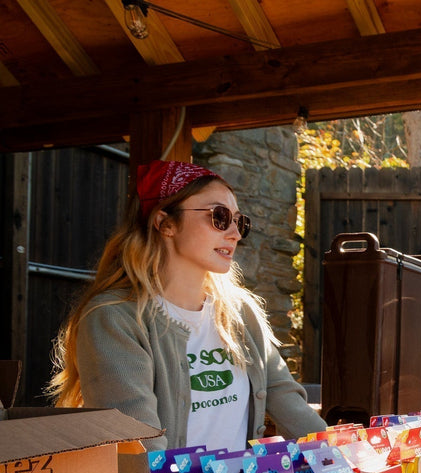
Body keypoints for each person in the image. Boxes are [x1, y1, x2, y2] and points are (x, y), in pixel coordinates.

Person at [49, 159, 326, 452]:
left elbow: (284, 396)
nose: (234, 233)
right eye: (219, 216)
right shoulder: (114, 319)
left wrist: (343, 456)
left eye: (239, 222)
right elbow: (140, 447)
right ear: (165, 223)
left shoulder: (240, 312)